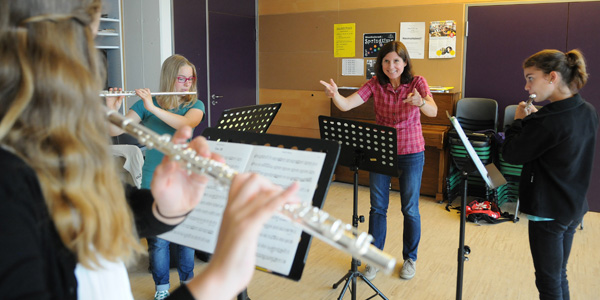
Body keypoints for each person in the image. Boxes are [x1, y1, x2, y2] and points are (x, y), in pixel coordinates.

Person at [0, 1, 300, 300]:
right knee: (159, 246)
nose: (93, 68)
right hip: (149, 171)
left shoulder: (57, 150)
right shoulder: (11, 182)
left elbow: (110, 204)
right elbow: (117, 130)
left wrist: (164, 209)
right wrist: (220, 279)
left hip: (161, 182)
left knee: (178, 243)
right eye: (87, 47)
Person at [320, 41, 438, 280]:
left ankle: (410, 259)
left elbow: (433, 111)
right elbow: (346, 105)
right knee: (377, 208)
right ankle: (374, 258)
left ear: (405, 63)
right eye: (386, 61)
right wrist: (335, 96)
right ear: (380, 64)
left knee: (410, 208)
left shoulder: (417, 83)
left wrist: (422, 102)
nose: (391, 66)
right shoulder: (374, 84)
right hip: (381, 151)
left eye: (396, 61)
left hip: (411, 151)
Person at [106, 54, 205, 300]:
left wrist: (152, 107)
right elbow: (115, 129)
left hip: (184, 179)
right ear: (170, 78)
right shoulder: (145, 104)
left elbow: (186, 126)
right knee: (159, 241)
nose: (187, 83)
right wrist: (111, 110)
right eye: (181, 78)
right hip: (153, 178)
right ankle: (161, 289)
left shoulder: (195, 105)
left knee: (186, 237)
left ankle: (188, 284)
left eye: (190, 79)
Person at [501, 49, 598, 300]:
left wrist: (519, 120)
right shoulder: (587, 110)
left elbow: (511, 154)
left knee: (548, 281)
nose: (526, 86)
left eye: (531, 78)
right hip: (573, 206)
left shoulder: (547, 120)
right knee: (558, 274)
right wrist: (535, 122)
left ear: (552, 77)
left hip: (549, 211)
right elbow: (558, 144)